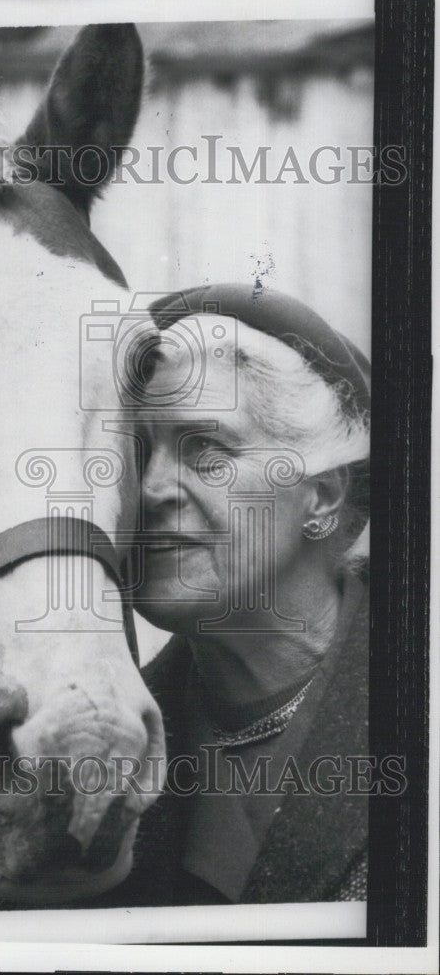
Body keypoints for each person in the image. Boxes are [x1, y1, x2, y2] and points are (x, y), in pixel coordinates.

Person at [124, 282, 371, 905]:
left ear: (322, 495)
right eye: (135, 452)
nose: (151, 489)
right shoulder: (113, 741)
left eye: (204, 449)